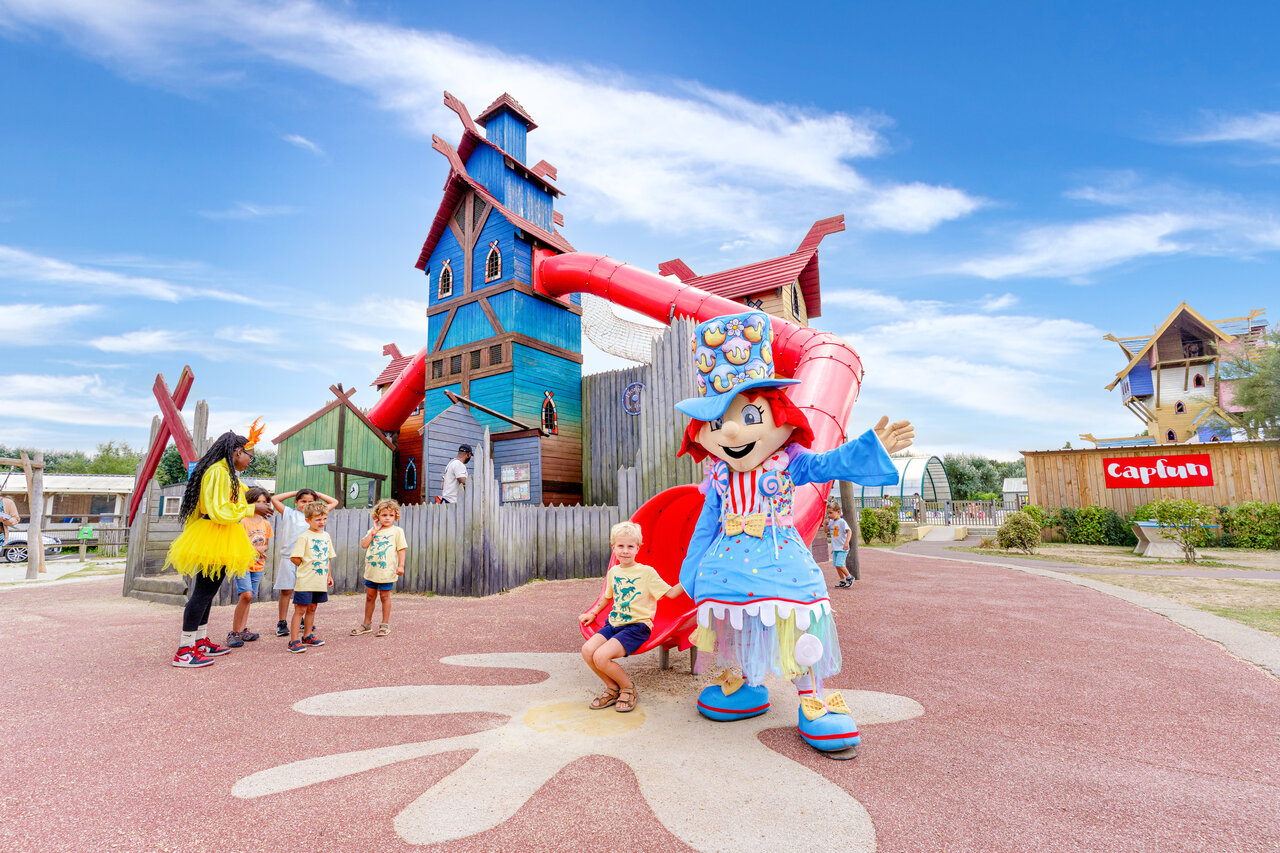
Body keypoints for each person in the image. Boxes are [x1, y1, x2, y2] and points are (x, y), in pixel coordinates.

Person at [676, 310, 913, 752]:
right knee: (737, 626)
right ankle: (746, 684)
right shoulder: (719, 479)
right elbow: (704, 529)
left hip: (781, 559)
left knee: (796, 625)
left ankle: (811, 700)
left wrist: (872, 447)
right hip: (727, 567)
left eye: (749, 416)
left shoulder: (789, 461)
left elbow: (830, 463)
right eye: (715, 422)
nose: (728, 430)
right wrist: (687, 576)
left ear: (780, 416)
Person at [165, 423, 272, 668]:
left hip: (221, 537)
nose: (249, 462)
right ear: (236, 451)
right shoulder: (218, 472)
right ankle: (184, 650)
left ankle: (200, 642)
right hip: (213, 536)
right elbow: (219, 510)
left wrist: (260, 501)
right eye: (250, 457)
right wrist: (251, 508)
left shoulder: (227, 474)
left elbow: (241, 494)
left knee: (208, 593)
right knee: (202, 593)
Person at [579, 521, 684, 713]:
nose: (625, 551)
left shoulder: (646, 572)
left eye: (630, 546)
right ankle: (612, 688)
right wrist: (592, 613)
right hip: (614, 624)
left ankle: (628, 688)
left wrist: (689, 580)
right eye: (620, 546)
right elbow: (607, 597)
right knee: (587, 651)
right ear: (613, 548)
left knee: (601, 657)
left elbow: (671, 594)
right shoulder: (614, 572)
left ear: (638, 548)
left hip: (637, 627)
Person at [270, 487, 339, 637]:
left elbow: (334, 501)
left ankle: (304, 621)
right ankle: (282, 622)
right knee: (287, 590)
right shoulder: (289, 513)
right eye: (303, 501)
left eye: (310, 501)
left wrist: (317, 493)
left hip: (309, 560)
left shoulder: (316, 515)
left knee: (308, 591)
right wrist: (295, 492)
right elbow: (274, 499)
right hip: (290, 557)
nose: (306, 504)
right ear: (296, 502)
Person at [352, 498, 407, 638]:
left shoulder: (397, 531)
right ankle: (366, 624)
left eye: (391, 515)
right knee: (370, 597)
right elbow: (364, 545)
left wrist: (401, 566)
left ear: (396, 516)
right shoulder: (373, 530)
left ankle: (384, 624)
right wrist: (374, 532)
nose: (387, 518)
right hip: (371, 571)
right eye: (384, 515)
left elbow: (401, 549)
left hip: (387, 572)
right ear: (377, 516)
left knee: (384, 596)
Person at [227, 486, 273, 647]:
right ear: (250, 503)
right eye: (257, 502)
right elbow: (237, 543)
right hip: (243, 564)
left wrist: (261, 549)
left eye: (264, 502)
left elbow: (266, 544)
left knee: (249, 597)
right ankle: (234, 632)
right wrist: (252, 550)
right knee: (245, 595)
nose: (262, 504)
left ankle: (242, 630)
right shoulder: (242, 522)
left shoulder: (266, 524)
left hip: (258, 565)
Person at [287, 500, 334, 654]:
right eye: (318, 519)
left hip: (319, 580)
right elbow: (295, 557)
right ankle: (293, 641)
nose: (322, 522)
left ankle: (307, 636)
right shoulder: (304, 537)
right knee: (300, 610)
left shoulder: (326, 536)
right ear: (308, 520)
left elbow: (328, 557)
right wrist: (306, 566)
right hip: (306, 580)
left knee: (313, 608)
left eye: (324, 519)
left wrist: (329, 574)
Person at [827, 502, 854, 588]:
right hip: (835, 548)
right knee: (836, 565)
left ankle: (849, 577)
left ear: (838, 512)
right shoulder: (831, 523)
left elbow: (849, 531)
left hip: (842, 548)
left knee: (840, 564)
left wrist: (847, 542)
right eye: (828, 513)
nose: (829, 515)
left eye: (831, 513)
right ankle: (842, 580)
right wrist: (825, 524)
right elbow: (825, 531)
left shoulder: (842, 522)